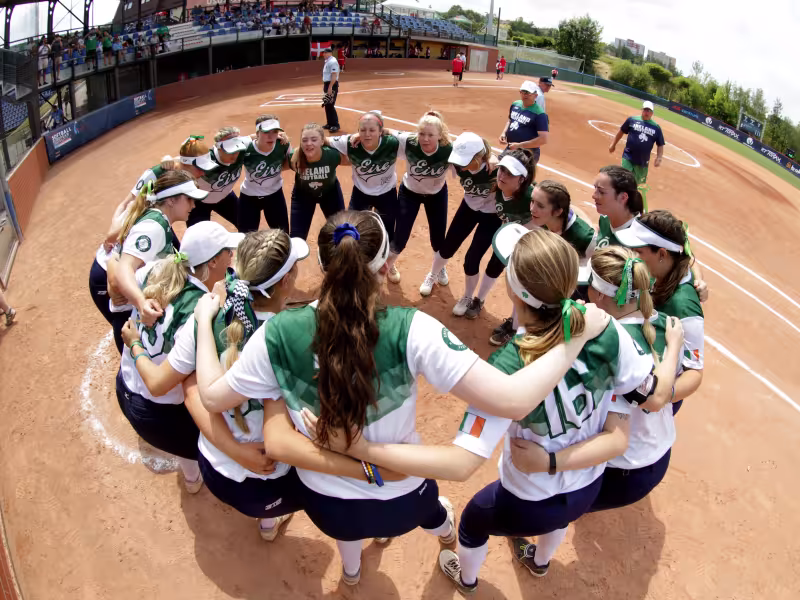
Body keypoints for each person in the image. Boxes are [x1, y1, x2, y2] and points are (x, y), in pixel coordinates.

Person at [194, 210, 613, 585]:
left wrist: (201, 321)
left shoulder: (277, 332)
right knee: (433, 512)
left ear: (322, 266)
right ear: (385, 266)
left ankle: (353, 574)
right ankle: (443, 533)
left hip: (324, 500)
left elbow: (212, 397)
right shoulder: (413, 328)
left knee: (348, 536)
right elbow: (510, 399)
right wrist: (575, 339)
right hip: (400, 491)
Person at [301, 226, 654, 594]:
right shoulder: (605, 328)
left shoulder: (507, 365)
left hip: (530, 493)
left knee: (472, 522)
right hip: (587, 482)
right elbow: (645, 392)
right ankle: (541, 562)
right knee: (558, 522)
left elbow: (461, 462)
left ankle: (467, 581)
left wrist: (362, 450)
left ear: (514, 289)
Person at [129, 229, 311, 540]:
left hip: (214, 468)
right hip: (267, 484)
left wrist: (235, 450)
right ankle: (270, 523)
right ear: (285, 281)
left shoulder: (204, 315)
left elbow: (189, 391)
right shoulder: (299, 340)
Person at [508, 244, 686, 561]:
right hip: (656, 455)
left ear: (601, 296)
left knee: (556, 509)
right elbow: (660, 394)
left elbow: (653, 399)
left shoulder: (611, 343)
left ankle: (539, 560)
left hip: (623, 467)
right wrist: (673, 349)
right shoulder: (661, 323)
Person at [118, 220, 242, 493]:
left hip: (125, 384)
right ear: (211, 263)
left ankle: (190, 479)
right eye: (227, 252)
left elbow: (117, 279)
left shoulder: (155, 269)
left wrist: (139, 306)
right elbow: (159, 384)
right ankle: (264, 511)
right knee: (225, 435)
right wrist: (136, 344)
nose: (231, 257)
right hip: (157, 413)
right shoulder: (202, 313)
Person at [104, 171, 207, 355]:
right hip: (130, 314)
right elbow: (124, 268)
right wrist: (141, 302)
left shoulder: (159, 220)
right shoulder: (154, 228)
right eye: (189, 199)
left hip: (132, 309)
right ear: (171, 200)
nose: (193, 204)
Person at [616, 210, 705, 415]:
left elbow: (694, 372)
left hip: (654, 399)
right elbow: (689, 259)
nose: (633, 256)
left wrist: (662, 394)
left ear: (662, 254)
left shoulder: (684, 306)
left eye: (639, 251)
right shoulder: (658, 270)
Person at [420, 132, 501, 317]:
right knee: (448, 245)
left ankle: (467, 296)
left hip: (492, 216)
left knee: (472, 258)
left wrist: (496, 160)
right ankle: (433, 274)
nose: (460, 166)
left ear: (479, 157)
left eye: (465, 161)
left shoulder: (496, 169)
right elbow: (428, 143)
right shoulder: (457, 163)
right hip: (469, 207)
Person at [384, 111, 453, 285]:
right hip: (410, 193)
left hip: (436, 195)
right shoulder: (409, 141)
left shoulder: (449, 148)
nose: (425, 139)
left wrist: (490, 157)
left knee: (438, 239)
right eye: (422, 133)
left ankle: (439, 267)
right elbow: (387, 131)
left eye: (431, 135)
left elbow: (478, 150)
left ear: (440, 136)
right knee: (400, 237)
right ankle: (386, 267)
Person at [328, 111, 400, 243]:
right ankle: (358, 259)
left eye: (372, 130)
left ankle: (385, 261)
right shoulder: (349, 142)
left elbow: (414, 138)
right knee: (353, 227)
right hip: (360, 193)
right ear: (358, 131)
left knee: (388, 230)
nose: (367, 134)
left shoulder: (392, 143)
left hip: (387, 193)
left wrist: (388, 130)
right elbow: (324, 140)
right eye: (363, 130)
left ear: (381, 132)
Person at [287, 123, 345, 240]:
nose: (309, 144)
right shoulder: (294, 158)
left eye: (314, 139)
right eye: (305, 140)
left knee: (342, 232)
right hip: (303, 195)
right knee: (296, 240)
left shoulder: (332, 155)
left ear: (322, 141)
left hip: (330, 193)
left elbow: (353, 160)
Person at [608, 101, 665, 212]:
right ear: (642, 110)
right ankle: (617, 201)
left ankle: (631, 206)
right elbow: (621, 132)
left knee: (636, 185)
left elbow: (660, 144)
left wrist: (659, 157)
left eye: (649, 111)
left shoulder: (656, 128)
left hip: (642, 162)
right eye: (645, 110)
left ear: (652, 113)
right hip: (628, 157)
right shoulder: (632, 120)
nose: (646, 112)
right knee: (624, 178)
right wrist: (613, 144)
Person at [238, 115, 292, 233]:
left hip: (274, 195)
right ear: (257, 133)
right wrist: (250, 136)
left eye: (275, 132)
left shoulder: (283, 145)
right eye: (266, 132)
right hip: (249, 197)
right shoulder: (246, 147)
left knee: (283, 236)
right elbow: (228, 144)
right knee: (246, 238)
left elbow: (289, 164)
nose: (271, 136)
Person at [191, 126, 250, 227]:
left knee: (246, 225)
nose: (235, 154)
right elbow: (180, 162)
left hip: (225, 197)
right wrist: (168, 161)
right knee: (199, 236)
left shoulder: (242, 149)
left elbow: (257, 137)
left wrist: (280, 136)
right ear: (219, 148)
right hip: (199, 202)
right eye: (230, 150)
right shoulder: (205, 159)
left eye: (237, 149)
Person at [530, 180, 595, 260]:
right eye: (532, 201)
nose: (532, 209)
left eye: (540, 206)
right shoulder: (541, 218)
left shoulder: (585, 238)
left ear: (557, 212)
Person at [500, 81, 549, 164]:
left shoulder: (540, 114)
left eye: (528, 93)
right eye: (523, 92)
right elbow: (510, 120)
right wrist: (503, 133)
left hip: (528, 153)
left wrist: (520, 145)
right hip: (511, 148)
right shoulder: (515, 104)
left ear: (535, 95)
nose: (524, 95)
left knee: (519, 176)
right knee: (499, 169)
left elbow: (543, 139)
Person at [320, 47, 341, 133]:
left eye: (325, 53)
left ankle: (335, 125)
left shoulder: (333, 62)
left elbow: (334, 75)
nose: (324, 54)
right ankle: (329, 123)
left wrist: (330, 87)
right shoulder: (328, 61)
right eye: (323, 53)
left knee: (330, 104)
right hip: (327, 84)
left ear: (330, 53)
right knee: (327, 104)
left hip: (331, 84)